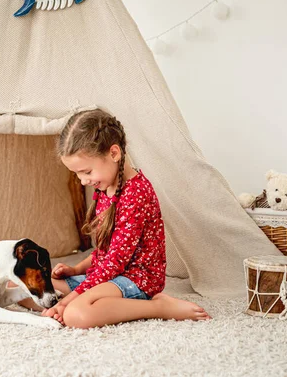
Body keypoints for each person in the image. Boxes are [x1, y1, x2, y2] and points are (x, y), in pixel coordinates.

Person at [20, 108, 211, 328]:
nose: (83, 181)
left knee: (76, 314)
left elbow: (115, 261)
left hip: (135, 279)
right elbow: (106, 251)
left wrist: (72, 298)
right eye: (77, 174)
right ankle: (92, 302)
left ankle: (159, 307)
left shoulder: (136, 194)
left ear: (114, 153)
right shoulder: (106, 188)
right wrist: (77, 270)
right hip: (108, 277)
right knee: (24, 289)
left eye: (87, 172)